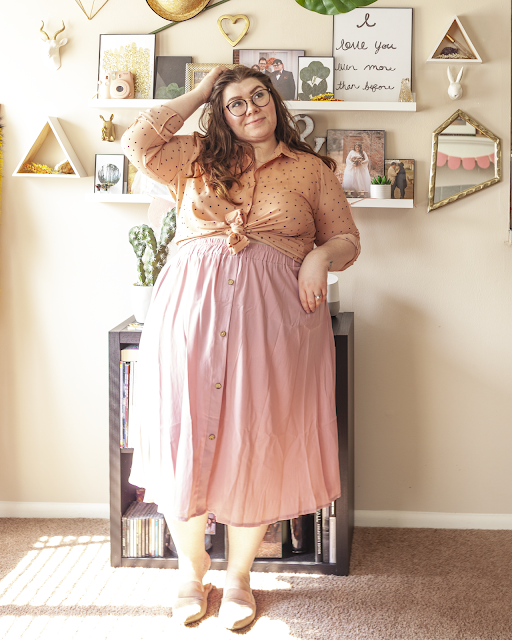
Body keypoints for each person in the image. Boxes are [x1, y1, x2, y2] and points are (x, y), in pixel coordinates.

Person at [121, 65, 360, 630]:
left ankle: (239, 577)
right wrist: (205, 88)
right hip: (191, 316)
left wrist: (320, 257)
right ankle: (191, 567)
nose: (250, 107)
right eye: (235, 103)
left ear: (274, 101)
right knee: (185, 432)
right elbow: (136, 143)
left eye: (258, 96)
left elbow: (347, 238)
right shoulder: (197, 157)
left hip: (275, 325)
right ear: (221, 113)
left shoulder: (311, 170)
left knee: (259, 439)